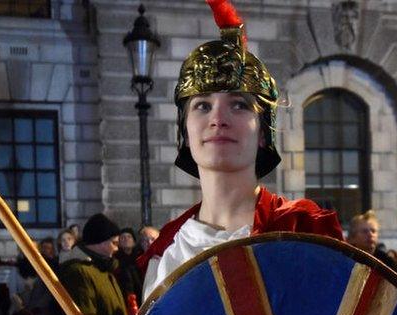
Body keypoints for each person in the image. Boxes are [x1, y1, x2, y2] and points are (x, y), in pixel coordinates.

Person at [138, 0, 343, 299]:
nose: (218, 119)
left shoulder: (302, 231)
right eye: (202, 106)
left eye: (238, 105)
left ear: (262, 131)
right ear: (185, 130)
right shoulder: (166, 253)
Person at [348, 211, 397, 277]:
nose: (370, 234)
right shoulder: (347, 260)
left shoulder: (388, 262)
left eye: (373, 231)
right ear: (353, 237)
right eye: (364, 231)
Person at [115, 228, 144, 306]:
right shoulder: (115, 261)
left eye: (129, 237)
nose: (126, 239)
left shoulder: (140, 258)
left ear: (134, 242)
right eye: (123, 237)